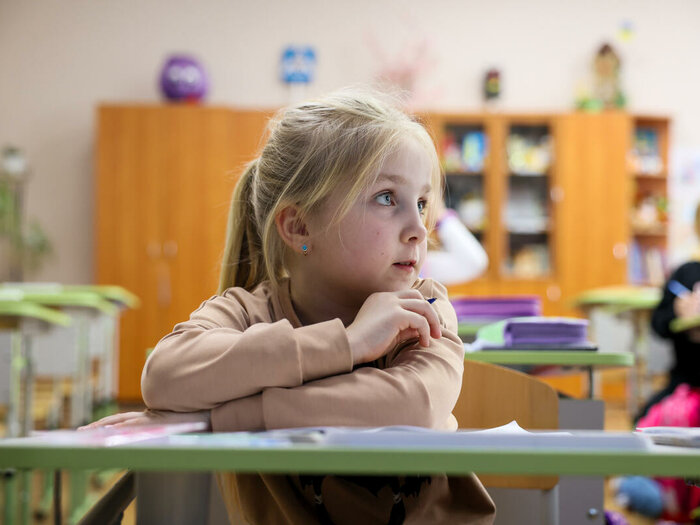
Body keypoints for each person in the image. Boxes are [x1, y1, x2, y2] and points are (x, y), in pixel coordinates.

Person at [85, 88, 496, 525]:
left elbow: (411, 405)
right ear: (299, 225)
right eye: (386, 198)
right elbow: (165, 375)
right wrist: (348, 343)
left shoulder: (425, 307)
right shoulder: (247, 310)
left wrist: (216, 418)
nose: (419, 229)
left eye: (420, 203)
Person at [636, 203, 700, 423]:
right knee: (644, 421)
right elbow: (658, 323)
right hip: (687, 384)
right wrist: (677, 312)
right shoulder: (686, 273)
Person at [421, 199, 488, 285]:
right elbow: (475, 263)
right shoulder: (414, 264)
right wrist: (441, 216)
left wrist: (441, 217)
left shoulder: (423, 264)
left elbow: (475, 263)